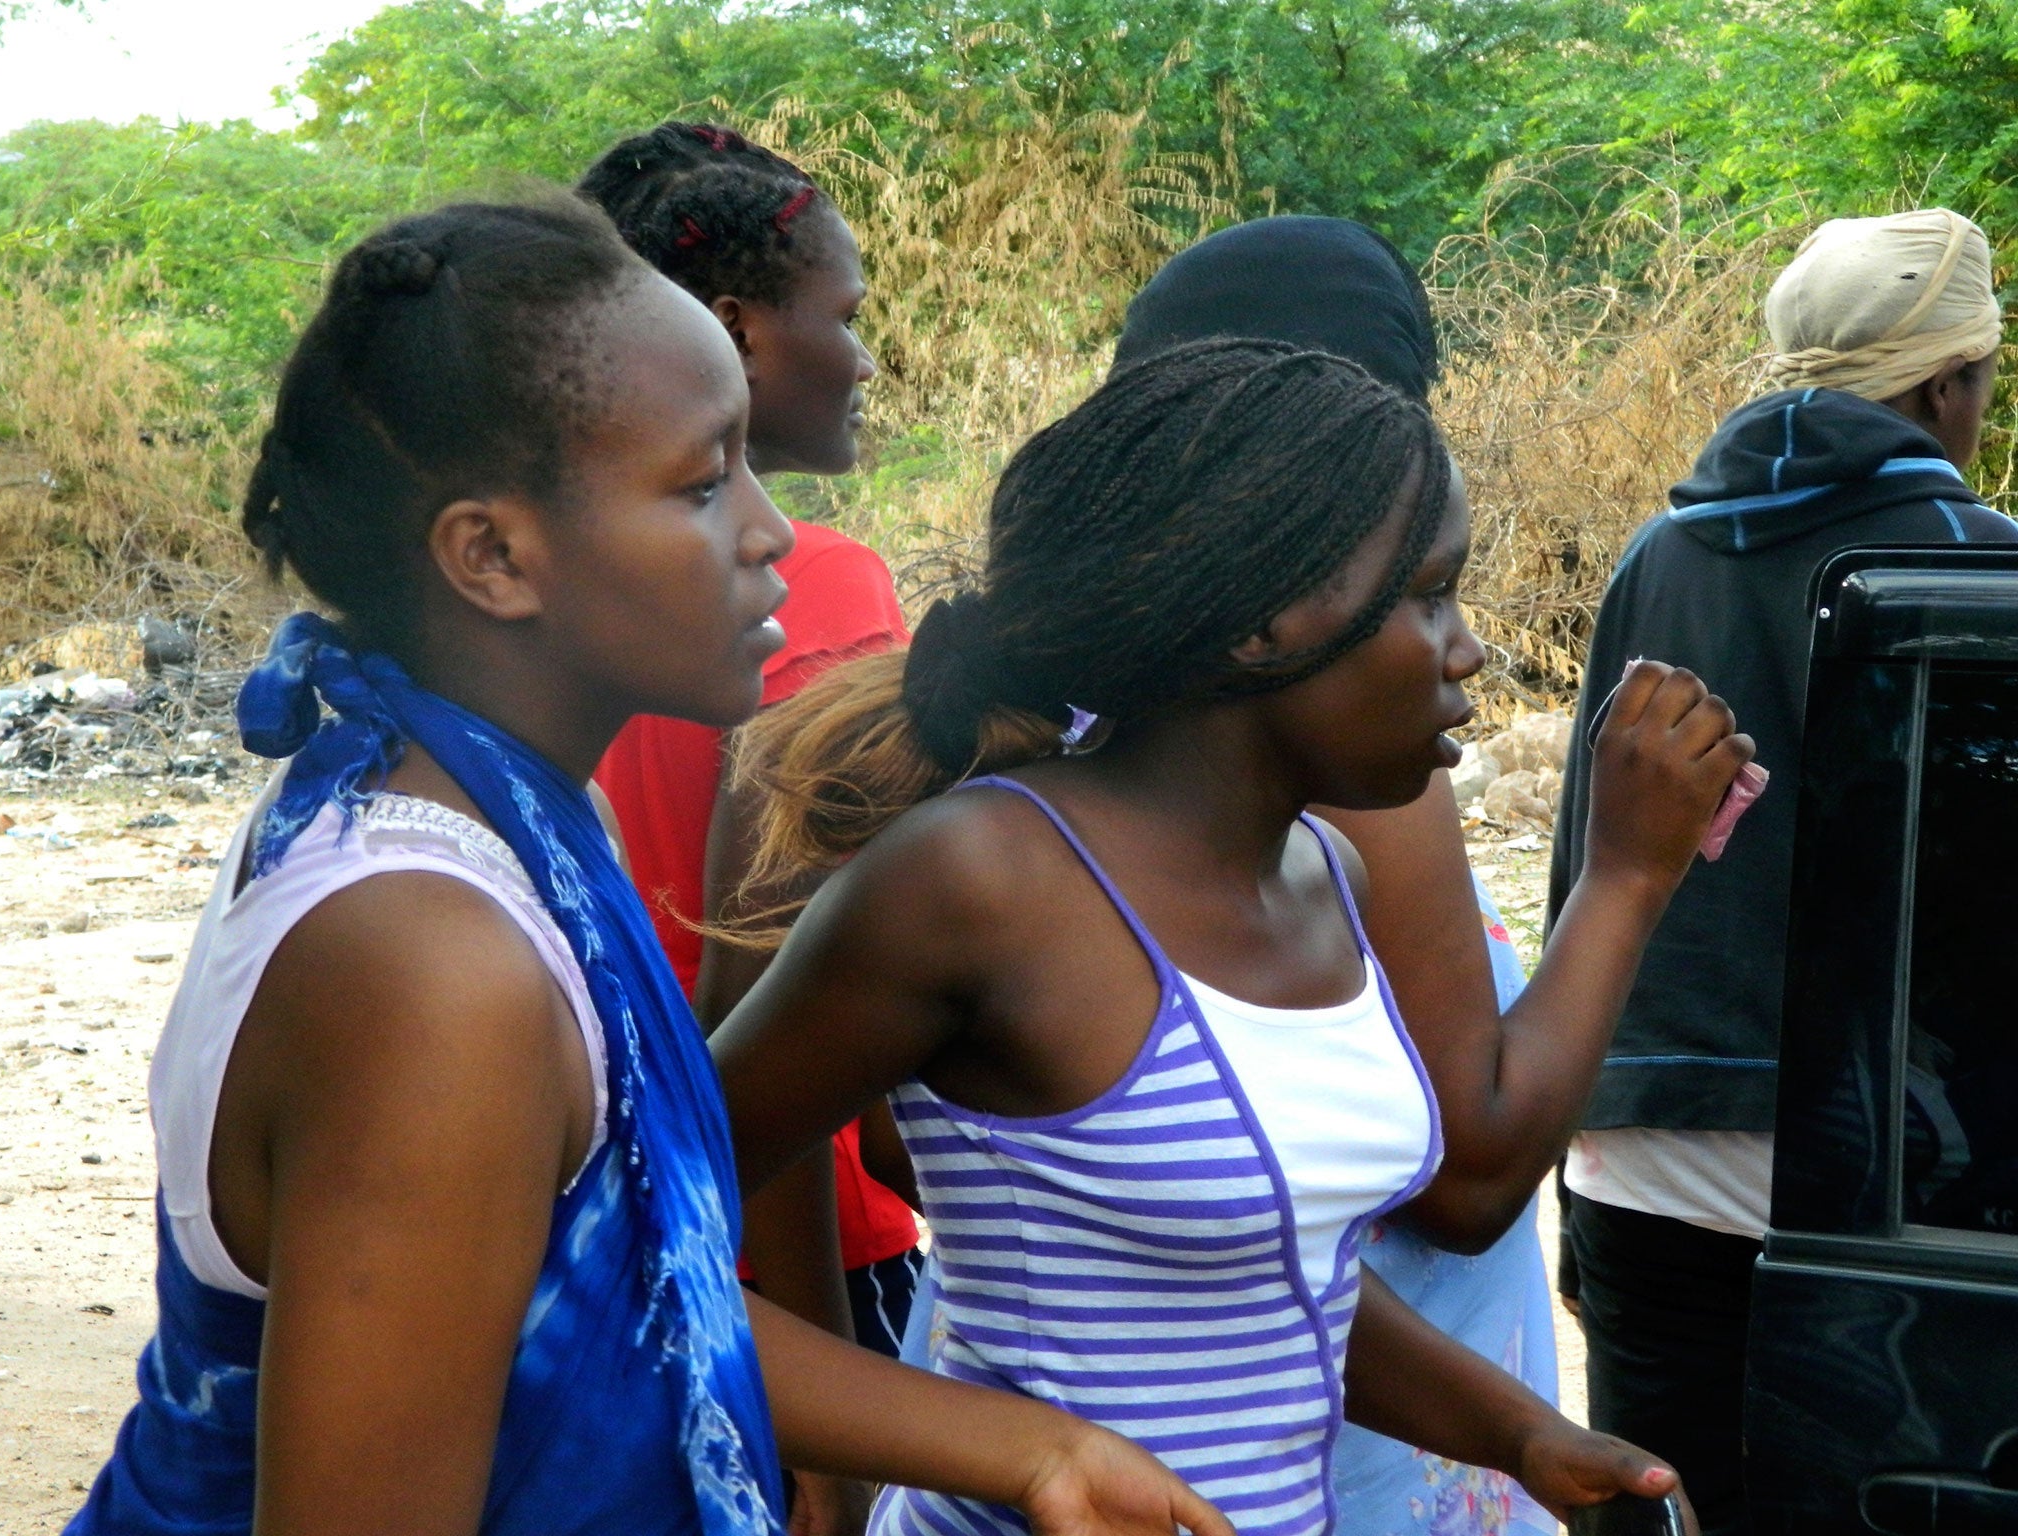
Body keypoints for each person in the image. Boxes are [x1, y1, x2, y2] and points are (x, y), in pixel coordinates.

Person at [67, 195, 1240, 1536]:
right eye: (700, 483)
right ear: (494, 555)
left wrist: (1033, 1451)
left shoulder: (469, 812)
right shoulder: (433, 970)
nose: (770, 531)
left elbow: (616, 1282)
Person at [713, 338, 1740, 1533]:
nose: (1468, 650)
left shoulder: (1328, 875)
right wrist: (1010, 1453)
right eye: (1425, 595)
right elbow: (630, 1219)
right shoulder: (982, 881)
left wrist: (1519, 1433)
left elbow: (1265, 1284)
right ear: (1258, 625)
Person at [1547, 206, 2018, 1536]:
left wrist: (1573, 1153)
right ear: (1948, 384)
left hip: (1639, 1150)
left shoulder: (1659, 555)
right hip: (1894, 1183)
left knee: (1668, 1507)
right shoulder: (1986, 570)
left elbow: (1593, 849)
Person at [578, 124, 926, 1373]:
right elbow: (762, 994)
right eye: (846, 314)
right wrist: (824, 1409)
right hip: (796, 1264)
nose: (867, 356)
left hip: (606, 1219)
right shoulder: (816, 590)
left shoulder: (564, 586)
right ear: (736, 331)